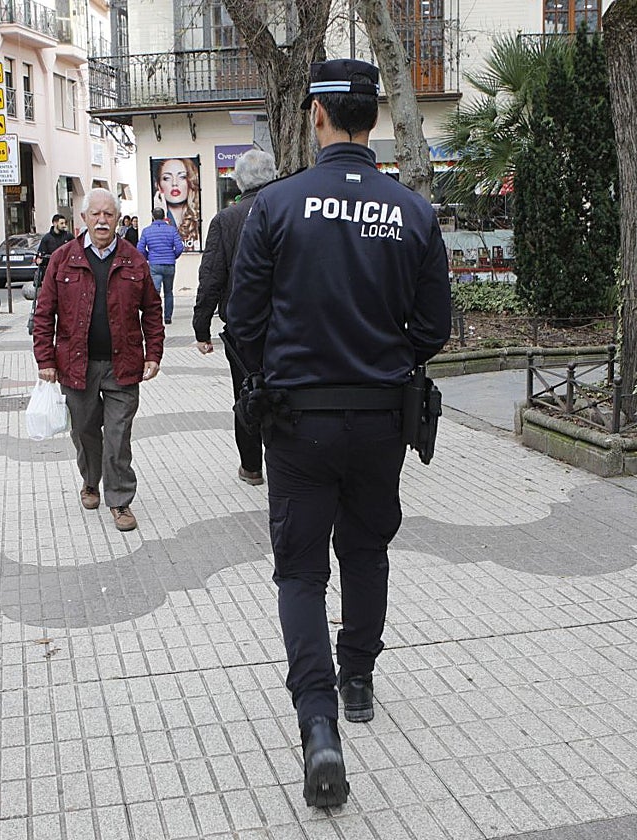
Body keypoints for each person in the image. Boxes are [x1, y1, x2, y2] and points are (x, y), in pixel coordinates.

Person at [225, 59, 451, 808]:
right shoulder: (412, 212)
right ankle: (357, 680)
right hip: (382, 418)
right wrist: (387, 360)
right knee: (366, 549)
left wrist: (275, 374)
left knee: (299, 573)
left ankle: (319, 724)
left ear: (317, 117)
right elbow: (435, 328)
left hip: (299, 422)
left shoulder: (279, 205)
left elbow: (244, 320)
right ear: (373, 119)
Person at [32, 188, 165, 532]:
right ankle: (91, 480)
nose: (103, 220)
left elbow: (152, 309)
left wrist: (155, 353)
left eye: (109, 214)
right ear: (84, 218)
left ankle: (120, 500)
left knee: (118, 435)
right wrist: (45, 359)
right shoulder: (63, 258)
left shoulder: (134, 259)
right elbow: (44, 312)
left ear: (118, 219)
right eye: (96, 214)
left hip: (124, 365)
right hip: (77, 366)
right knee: (85, 431)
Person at [193, 149, 279, 486]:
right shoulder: (287, 211)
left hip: (243, 329)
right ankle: (284, 460)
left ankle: (252, 467)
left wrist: (202, 328)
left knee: (245, 392)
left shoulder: (226, 220)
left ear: (239, 181)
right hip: (287, 324)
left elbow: (212, 276)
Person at [137, 208, 183, 324]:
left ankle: (155, 316)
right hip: (169, 264)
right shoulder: (172, 230)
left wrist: (148, 256)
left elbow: (140, 248)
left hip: (154, 265)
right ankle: (167, 317)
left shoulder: (147, 231)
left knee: (155, 292)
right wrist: (173, 256)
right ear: (164, 216)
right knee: (168, 292)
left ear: (153, 216)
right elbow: (179, 247)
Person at [152, 157, 201, 249]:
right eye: (167, 178)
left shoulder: (198, 220)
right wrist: (163, 215)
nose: (174, 183)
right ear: (158, 185)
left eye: (182, 177)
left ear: (190, 181)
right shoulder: (152, 228)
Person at [35, 213, 74, 286]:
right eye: (61, 223)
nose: (64, 225)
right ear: (55, 223)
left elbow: (76, 251)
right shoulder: (46, 238)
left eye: (65, 223)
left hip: (67, 271)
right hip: (51, 271)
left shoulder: (69, 237)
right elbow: (40, 255)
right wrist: (39, 260)